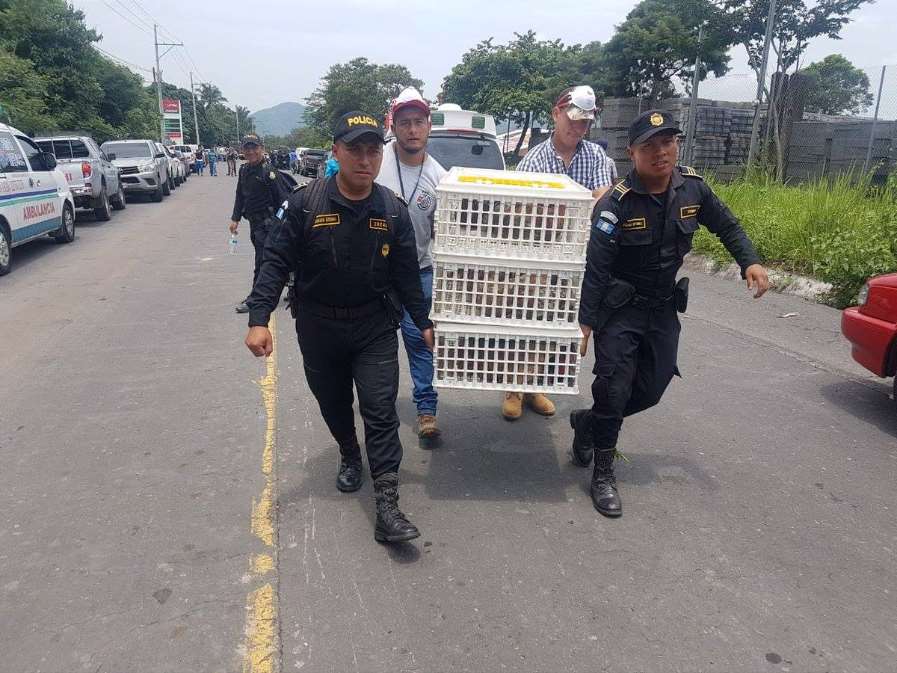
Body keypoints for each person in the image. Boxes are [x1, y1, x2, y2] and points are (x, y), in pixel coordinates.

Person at [243, 111, 434, 544]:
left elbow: (407, 274)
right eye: (354, 149)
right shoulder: (304, 204)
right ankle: (350, 453)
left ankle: (388, 504)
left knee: (381, 409)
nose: (364, 159)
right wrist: (260, 319)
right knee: (332, 403)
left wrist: (422, 322)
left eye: (372, 150)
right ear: (336, 152)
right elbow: (274, 262)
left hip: (374, 327)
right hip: (319, 326)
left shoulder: (392, 210)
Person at [574, 109, 770, 518]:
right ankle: (604, 473)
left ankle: (588, 424)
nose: (661, 152)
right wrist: (586, 323)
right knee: (613, 388)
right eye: (650, 146)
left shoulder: (693, 189)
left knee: (652, 388)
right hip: (621, 311)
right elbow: (597, 268)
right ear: (632, 153)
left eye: (668, 142)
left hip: (663, 310)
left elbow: (728, 226)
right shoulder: (615, 203)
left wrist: (748, 261)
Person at [500, 85, 615, 422]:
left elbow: (604, 199)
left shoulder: (596, 156)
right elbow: (518, 214)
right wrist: (574, 205)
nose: (578, 128)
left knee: (555, 324)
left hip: (579, 258)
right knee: (525, 320)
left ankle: (533, 384)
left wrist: (557, 209)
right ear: (556, 114)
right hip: (537, 255)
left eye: (584, 123)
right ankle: (513, 387)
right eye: (573, 120)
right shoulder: (533, 160)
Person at [375, 87, 446, 440]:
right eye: (405, 122)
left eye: (419, 122)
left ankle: (426, 409)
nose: (412, 129)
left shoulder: (439, 177)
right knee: (377, 344)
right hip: (374, 275)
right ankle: (379, 406)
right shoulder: (377, 162)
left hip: (420, 272)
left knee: (420, 340)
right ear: (394, 125)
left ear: (429, 126)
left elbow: (444, 233)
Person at [229, 134, 289, 313]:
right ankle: (293, 287)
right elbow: (240, 194)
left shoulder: (269, 172)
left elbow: (284, 201)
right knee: (272, 260)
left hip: (269, 225)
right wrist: (235, 218)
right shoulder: (244, 170)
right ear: (242, 150)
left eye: (254, 147)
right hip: (255, 225)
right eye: (247, 148)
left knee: (262, 262)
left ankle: (256, 299)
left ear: (262, 148)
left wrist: (279, 226)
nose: (251, 151)